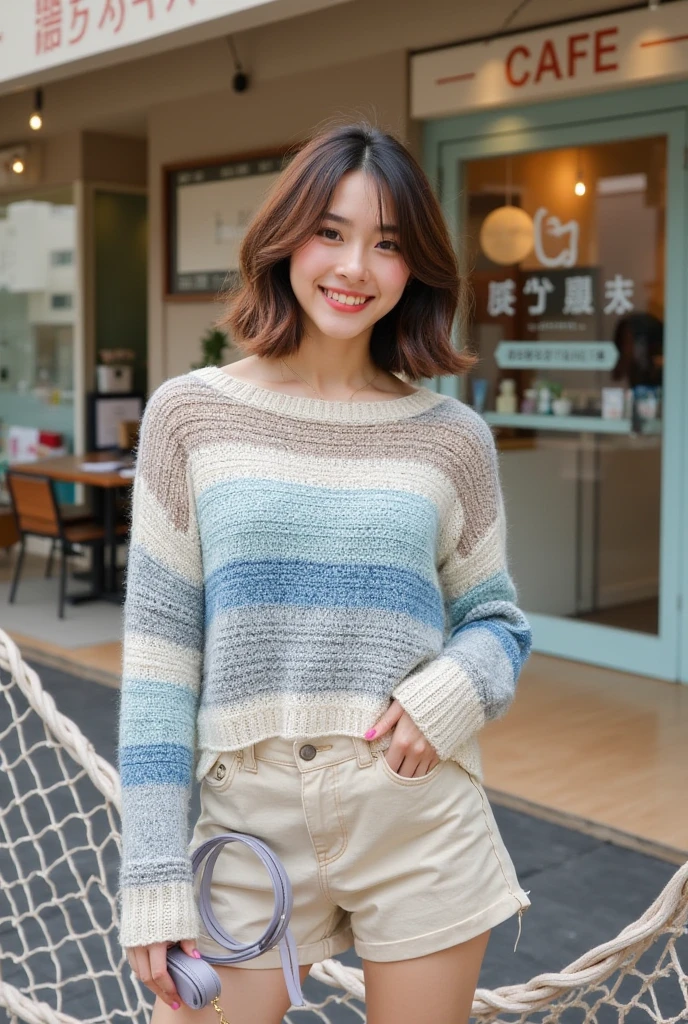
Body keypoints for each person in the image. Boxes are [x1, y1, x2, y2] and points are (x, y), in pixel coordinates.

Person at [118, 121, 533, 1024]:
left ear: (415, 266)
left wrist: (451, 691)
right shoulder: (190, 417)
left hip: (415, 812)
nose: (354, 267)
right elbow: (158, 666)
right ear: (285, 240)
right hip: (247, 822)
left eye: (387, 244)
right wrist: (153, 874)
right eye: (331, 232)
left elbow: (497, 623)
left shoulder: (452, 438)